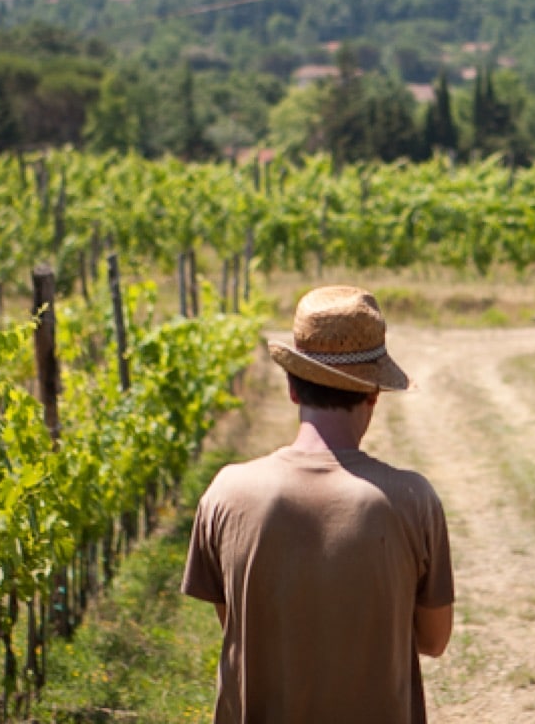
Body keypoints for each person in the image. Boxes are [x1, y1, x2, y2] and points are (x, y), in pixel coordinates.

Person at [182, 285, 454, 724]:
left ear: (292, 387)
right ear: (374, 392)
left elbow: (238, 621)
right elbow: (433, 639)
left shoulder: (225, 493)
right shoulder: (412, 500)